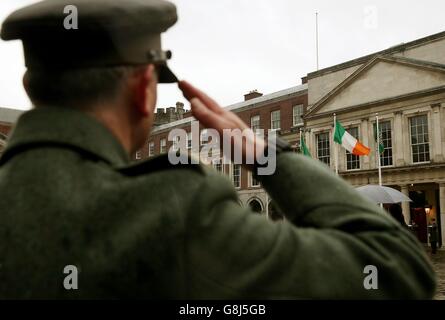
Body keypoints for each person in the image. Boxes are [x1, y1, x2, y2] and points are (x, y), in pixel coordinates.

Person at [0, 0, 436, 299]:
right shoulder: (170, 208)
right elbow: (395, 271)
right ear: (141, 92)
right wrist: (267, 155)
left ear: (30, 86)